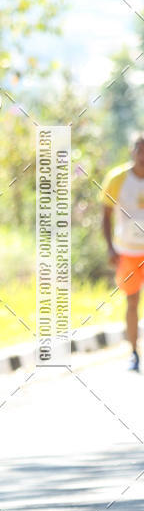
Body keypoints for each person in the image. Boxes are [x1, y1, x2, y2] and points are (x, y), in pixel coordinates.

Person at [101, 132, 144, 372]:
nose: (143, 156)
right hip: (128, 252)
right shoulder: (116, 179)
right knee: (132, 301)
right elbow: (105, 216)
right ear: (132, 151)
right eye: (140, 150)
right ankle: (134, 352)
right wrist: (109, 247)